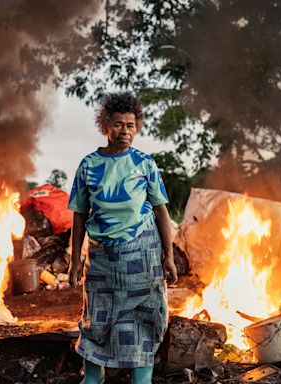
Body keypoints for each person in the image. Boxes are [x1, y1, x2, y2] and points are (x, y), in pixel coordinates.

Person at [68, 92, 178, 384]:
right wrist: (75, 260)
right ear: (105, 125)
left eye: (131, 125)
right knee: (98, 317)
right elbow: (79, 215)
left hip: (142, 257)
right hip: (102, 259)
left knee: (144, 316)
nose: (125, 131)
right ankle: (93, 376)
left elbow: (161, 211)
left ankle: (142, 379)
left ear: (137, 126)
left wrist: (168, 255)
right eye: (118, 124)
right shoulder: (88, 166)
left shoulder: (145, 164)